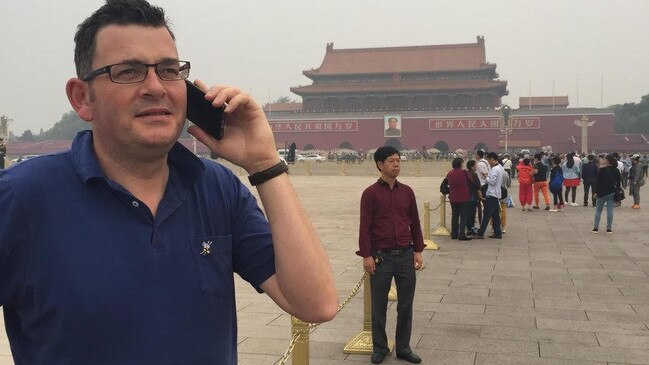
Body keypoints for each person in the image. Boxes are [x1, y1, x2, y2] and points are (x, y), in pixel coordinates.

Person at [0, 1, 338, 364]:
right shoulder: (22, 196)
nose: (155, 87)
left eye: (168, 70)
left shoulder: (216, 189)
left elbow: (315, 304)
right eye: (128, 71)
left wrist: (265, 164)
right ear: (83, 98)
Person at [358, 146, 424, 364]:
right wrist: (367, 256)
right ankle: (380, 347)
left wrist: (418, 250)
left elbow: (414, 222)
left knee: (406, 305)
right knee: (378, 305)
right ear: (379, 164)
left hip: (405, 256)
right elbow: (365, 227)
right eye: (391, 161)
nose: (396, 164)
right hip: (381, 258)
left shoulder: (407, 192)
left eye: (398, 160)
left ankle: (403, 347)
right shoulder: (370, 194)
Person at [473, 152, 503, 239]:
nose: (488, 162)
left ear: (492, 159)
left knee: (486, 215)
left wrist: (486, 177)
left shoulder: (494, 169)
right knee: (495, 216)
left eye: (489, 160)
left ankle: (480, 233)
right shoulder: (500, 168)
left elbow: (492, 182)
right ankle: (497, 233)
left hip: (492, 194)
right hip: (497, 194)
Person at [592, 154, 621, 234]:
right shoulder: (616, 170)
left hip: (601, 193)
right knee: (610, 211)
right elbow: (618, 184)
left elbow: (598, 183)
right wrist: (617, 194)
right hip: (611, 193)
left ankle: (596, 228)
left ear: (607, 160)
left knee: (598, 210)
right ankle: (609, 229)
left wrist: (596, 193)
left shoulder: (602, 170)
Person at [446, 157, 472, 241]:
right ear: (460, 164)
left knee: (455, 216)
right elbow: (471, 180)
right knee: (463, 216)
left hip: (453, 197)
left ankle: (454, 234)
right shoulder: (464, 172)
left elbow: (449, 183)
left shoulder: (449, 173)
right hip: (464, 197)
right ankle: (462, 234)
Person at [465, 160, 482, 236]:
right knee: (472, 213)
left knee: (467, 212)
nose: (476, 167)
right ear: (472, 167)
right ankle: (471, 228)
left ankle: (468, 227)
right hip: (473, 196)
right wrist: (480, 196)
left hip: (466, 196)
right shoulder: (474, 175)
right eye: (475, 166)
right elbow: (478, 187)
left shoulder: (466, 174)